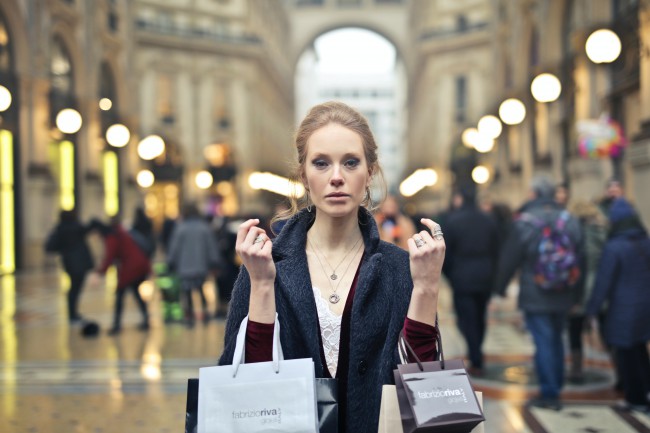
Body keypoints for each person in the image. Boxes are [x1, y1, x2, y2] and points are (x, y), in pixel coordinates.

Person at [218, 101, 444, 433]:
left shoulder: (399, 269)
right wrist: (263, 286)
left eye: (350, 162)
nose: (336, 177)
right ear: (304, 176)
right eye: (321, 163)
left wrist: (426, 288)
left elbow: (428, 391)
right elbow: (242, 385)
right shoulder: (265, 265)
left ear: (369, 173)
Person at [495, 174, 584, 411]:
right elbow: (580, 259)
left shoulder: (525, 221)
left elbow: (510, 258)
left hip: (535, 291)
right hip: (564, 291)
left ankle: (550, 393)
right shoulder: (569, 219)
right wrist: (578, 294)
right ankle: (556, 384)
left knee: (543, 341)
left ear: (533, 193)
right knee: (557, 339)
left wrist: (500, 288)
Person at [585, 198, 650, 413]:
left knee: (626, 354)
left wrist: (591, 310)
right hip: (645, 306)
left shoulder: (614, 247)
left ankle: (636, 399)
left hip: (624, 309)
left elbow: (603, 283)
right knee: (640, 349)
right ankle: (646, 391)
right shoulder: (645, 241)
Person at [442, 185, 499, 376]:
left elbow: (446, 254)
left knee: (466, 318)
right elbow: (496, 249)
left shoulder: (452, 221)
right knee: (480, 316)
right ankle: (476, 352)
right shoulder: (488, 220)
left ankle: (476, 357)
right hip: (485, 275)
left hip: (462, 276)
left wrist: (450, 275)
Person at [566, 199, 607, 384]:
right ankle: (622, 371)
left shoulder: (572, 236)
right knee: (607, 329)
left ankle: (577, 368)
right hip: (601, 288)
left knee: (575, 330)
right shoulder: (603, 232)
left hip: (578, 289)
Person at [92, 215, 151, 335]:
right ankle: (145, 320)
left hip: (132, 267)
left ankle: (117, 324)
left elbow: (110, 257)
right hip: (139, 264)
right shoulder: (120, 231)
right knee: (135, 293)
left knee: (120, 294)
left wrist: (99, 273)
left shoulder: (112, 236)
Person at [167, 203, 221, 326]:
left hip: (184, 266)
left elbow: (174, 248)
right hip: (201, 265)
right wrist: (215, 261)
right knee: (201, 289)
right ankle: (206, 314)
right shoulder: (204, 227)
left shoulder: (180, 228)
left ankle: (189, 316)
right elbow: (211, 247)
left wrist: (171, 261)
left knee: (186, 292)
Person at [44, 209, 94, 324]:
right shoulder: (77, 228)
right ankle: (73, 313)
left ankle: (72, 313)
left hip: (69, 263)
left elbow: (50, 247)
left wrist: (63, 248)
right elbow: (89, 228)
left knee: (73, 288)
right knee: (76, 288)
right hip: (80, 262)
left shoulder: (60, 229)